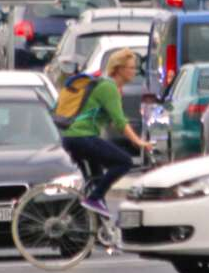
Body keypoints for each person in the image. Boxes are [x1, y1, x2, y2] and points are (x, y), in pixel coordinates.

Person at [60, 48, 151, 220]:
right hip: (82, 137)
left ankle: (94, 226)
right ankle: (94, 200)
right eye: (131, 68)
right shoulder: (109, 88)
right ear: (119, 69)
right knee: (124, 162)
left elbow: (112, 120)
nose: (134, 71)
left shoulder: (107, 85)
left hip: (73, 137)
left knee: (97, 181)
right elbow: (120, 122)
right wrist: (138, 142)